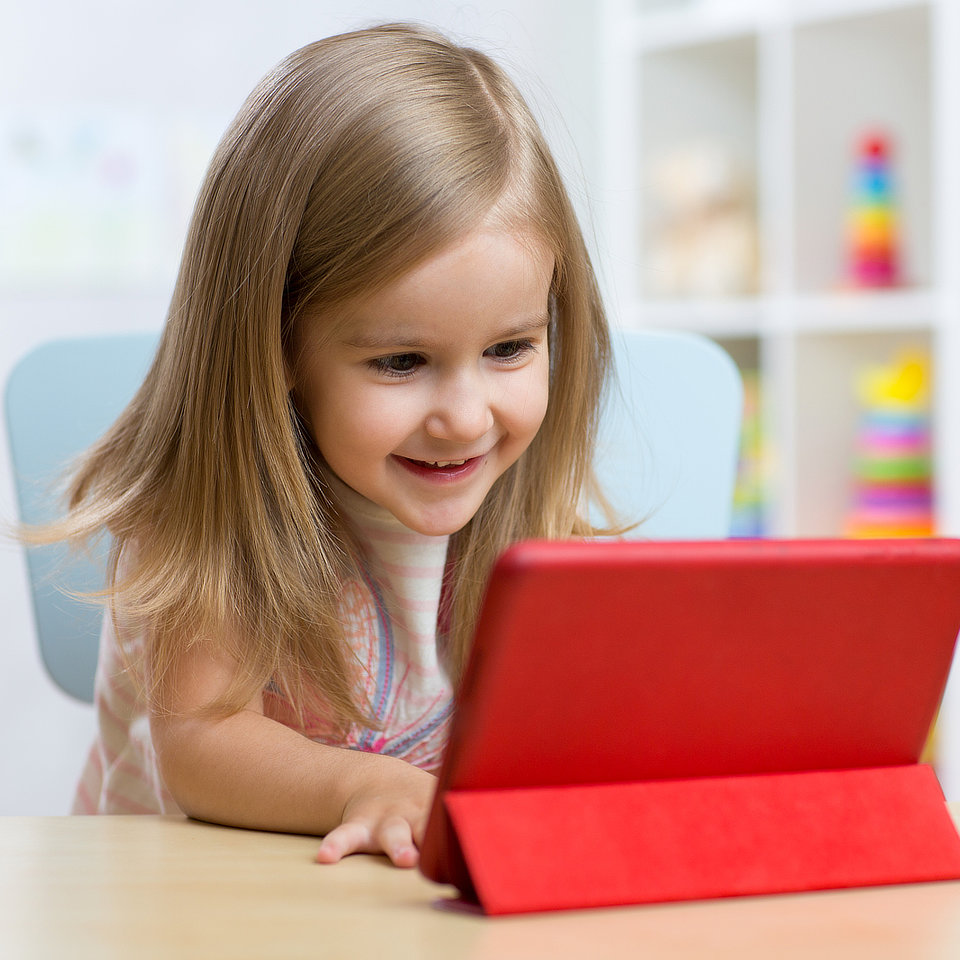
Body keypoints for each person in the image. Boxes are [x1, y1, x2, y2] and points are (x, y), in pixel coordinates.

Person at [39, 23, 612, 868]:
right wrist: (358, 786)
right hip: (175, 909)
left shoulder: (517, 503)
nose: (465, 416)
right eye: (401, 361)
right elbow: (200, 744)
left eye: (509, 349)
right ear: (276, 351)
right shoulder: (209, 514)